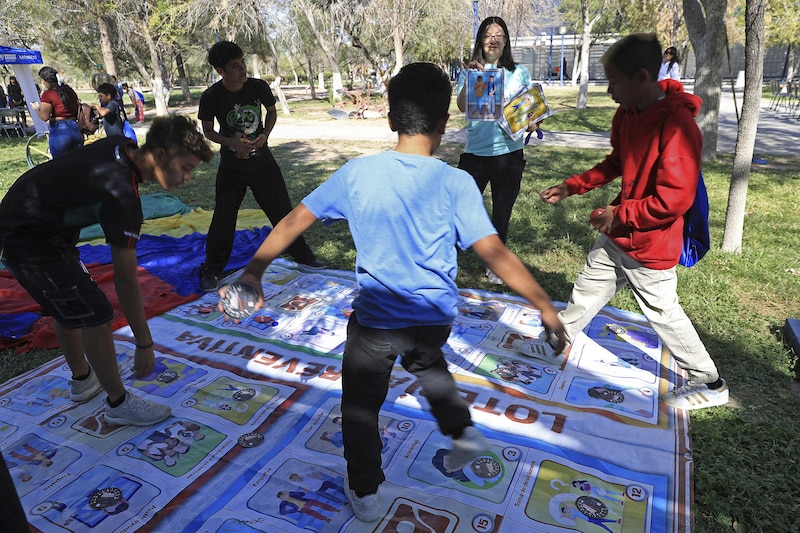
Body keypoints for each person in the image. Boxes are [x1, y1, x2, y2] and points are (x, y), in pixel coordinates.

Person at [219, 62, 566, 522]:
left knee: (360, 406)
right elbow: (495, 255)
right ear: (445, 124)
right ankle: (461, 431)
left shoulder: (357, 174)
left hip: (377, 323)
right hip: (432, 320)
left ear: (390, 119)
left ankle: (365, 490)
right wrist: (544, 305)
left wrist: (254, 272)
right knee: (427, 361)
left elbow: (291, 222)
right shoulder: (457, 183)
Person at [540, 33, 728, 411]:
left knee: (663, 312)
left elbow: (674, 199)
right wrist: (572, 186)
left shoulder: (677, 125)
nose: (609, 91)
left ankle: (709, 381)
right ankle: (560, 337)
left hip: (652, 243)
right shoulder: (627, 113)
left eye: (614, 82)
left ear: (642, 77)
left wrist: (620, 214)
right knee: (590, 284)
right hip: (618, 234)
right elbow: (616, 162)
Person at [0, 115, 213, 426]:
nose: (187, 178)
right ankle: (118, 403)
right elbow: (126, 279)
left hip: (38, 226)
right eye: (186, 168)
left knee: (69, 305)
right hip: (26, 238)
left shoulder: (121, 146)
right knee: (95, 312)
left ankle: (83, 380)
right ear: (161, 156)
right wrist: (144, 343)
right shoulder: (122, 196)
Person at [197, 40, 324, 292]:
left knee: (282, 212)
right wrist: (231, 143)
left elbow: (271, 112)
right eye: (235, 66)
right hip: (231, 169)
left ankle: (303, 255)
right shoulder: (211, 96)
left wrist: (265, 134)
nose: (243, 70)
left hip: (263, 164)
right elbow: (208, 130)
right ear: (221, 71)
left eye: (243, 63)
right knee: (224, 218)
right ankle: (212, 269)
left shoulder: (258, 87)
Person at [457, 16, 541, 284]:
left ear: (506, 41)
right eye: (487, 35)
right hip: (476, 153)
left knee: (501, 213)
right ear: (480, 40)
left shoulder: (520, 73)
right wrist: (471, 78)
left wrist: (532, 122)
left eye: (499, 35)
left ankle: (495, 264)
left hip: (509, 153)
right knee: (462, 208)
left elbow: (530, 111)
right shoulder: (472, 70)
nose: (493, 39)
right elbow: (461, 106)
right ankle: (454, 252)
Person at [30, 66, 83, 158]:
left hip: (59, 130)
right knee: (77, 162)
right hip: (75, 128)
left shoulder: (48, 94)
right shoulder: (69, 90)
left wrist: (36, 108)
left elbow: (44, 117)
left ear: (44, 80)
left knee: (60, 164)